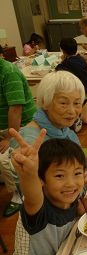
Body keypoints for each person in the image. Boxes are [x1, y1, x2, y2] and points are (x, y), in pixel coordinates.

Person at [6, 71, 87, 215]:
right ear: (44, 103)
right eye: (63, 103)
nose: (72, 111)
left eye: (77, 103)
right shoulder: (30, 143)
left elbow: (70, 168)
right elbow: (35, 200)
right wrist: (75, 210)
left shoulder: (66, 131)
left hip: (80, 203)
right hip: (55, 222)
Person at [9, 128, 87, 255]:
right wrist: (29, 173)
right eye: (59, 176)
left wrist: (77, 213)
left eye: (77, 173)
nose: (70, 183)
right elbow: (32, 196)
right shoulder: (38, 207)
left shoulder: (69, 198)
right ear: (41, 179)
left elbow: (62, 222)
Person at [0, 44, 37, 218]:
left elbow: (16, 110)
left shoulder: (9, 72)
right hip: (3, 125)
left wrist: (8, 138)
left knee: (7, 158)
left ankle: (18, 194)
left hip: (21, 125)